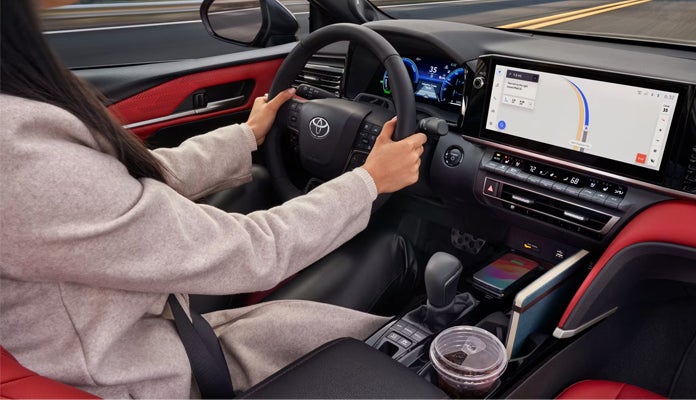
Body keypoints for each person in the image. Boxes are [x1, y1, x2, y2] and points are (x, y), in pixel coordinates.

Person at [0, 1, 428, 398]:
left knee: (255, 183)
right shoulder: (21, 158)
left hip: (106, 332)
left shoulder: (17, 123)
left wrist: (245, 135)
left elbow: (121, 185)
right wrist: (369, 181)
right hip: (133, 375)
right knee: (389, 256)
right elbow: (256, 250)